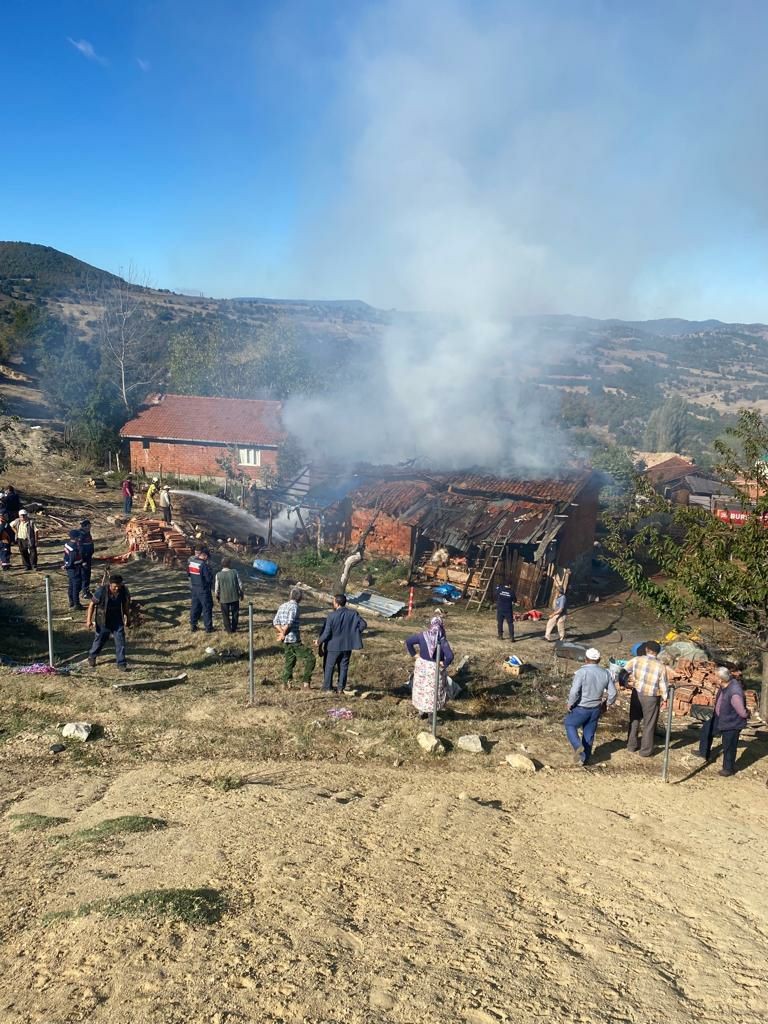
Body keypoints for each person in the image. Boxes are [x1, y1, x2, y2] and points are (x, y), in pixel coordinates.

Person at [564, 648, 617, 766]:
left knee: (570, 724)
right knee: (589, 733)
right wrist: (607, 704)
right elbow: (613, 693)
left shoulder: (582, 672)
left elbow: (574, 691)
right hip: (595, 708)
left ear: (586, 659)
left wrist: (570, 703)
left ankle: (578, 748)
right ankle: (586, 759)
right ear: (599, 660)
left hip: (581, 707)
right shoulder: (605, 673)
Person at [623, 640, 672, 757]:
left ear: (646, 650)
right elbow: (663, 685)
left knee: (634, 720)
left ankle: (631, 746)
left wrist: (625, 683)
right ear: (657, 653)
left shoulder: (636, 660)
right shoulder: (661, 666)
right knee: (649, 724)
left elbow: (623, 670)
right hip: (651, 697)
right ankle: (645, 751)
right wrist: (665, 699)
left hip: (637, 694)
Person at [698, 666, 749, 776]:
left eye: (715, 676)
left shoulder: (735, 692)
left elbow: (742, 712)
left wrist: (747, 713)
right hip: (720, 716)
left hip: (732, 722)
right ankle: (703, 753)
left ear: (721, 679)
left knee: (729, 746)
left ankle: (728, 768)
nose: (712, 678)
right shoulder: (724, 685)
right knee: (707, 729)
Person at [317, 594, 367, 693]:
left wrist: (319, 641)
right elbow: (363, 624)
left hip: (333, 646)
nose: (333, 603)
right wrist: (354, 633)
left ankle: (327, 688)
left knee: (329, 667)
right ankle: (340, 688)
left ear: (336, 603)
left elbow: (326, 633)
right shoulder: (353, 613)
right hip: (347, 645)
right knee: (343, 667)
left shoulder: (331, 616)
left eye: (333, 601)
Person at [406, 615, 454, 717]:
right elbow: (450, 656)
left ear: (431, 625)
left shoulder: (422, 635)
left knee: (421, 689)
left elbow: (408, 641)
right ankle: (431, 717)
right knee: (433, 692)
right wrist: (444, 664)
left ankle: (421, 713)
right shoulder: (441, 640)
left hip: (422, 666)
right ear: (441, 626)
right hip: (434, 668)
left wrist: (414, 654)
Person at [86, 574, 130, 671]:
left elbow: (125, 605)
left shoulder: (123, 591)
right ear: (110, 584)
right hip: (103, 619)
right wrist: (89, 620)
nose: (117, 588)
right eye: (115, 586)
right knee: (100, 639)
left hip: (117, 619)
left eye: (119, 586)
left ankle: (121, 663)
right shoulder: (101, 591)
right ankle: (92, 656)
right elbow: (92, 605)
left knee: (120, 641)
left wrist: (128, 617)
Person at [273, 588, 316, 688]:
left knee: (290, 661)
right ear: (300, 597)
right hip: (293, 639)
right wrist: (284, 633)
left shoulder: (282, 606)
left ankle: (287, 683)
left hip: (285, 641)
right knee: (310, 658)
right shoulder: (294, 607)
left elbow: (275, 622)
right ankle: (306, 682)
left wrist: (281, 633)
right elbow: (289, 622)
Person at [187, 546, 214, 633]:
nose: (207, 559)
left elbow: (189, 574)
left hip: (194, 588)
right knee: (206, 607)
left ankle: (193, 625)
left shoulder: (191, 563)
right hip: (204, 589)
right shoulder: (203, 565)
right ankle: (208, 628)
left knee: (195, 607)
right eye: (207, 557)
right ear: (205, 556)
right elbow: (208, 579)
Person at [214, 556, 244, 632]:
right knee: (235, 613)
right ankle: (234, 628)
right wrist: (241, 593)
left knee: (225, 615)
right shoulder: (235, 572)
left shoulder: (218, 574)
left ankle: (228, 629)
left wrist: (217, 596)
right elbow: (240, 584)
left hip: (223, 598)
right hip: (234, 596)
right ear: (230, 564)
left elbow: (217, 587)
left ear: (222, 564)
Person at [63, 529, 84, 609]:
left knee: (71, 585)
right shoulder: (74, 548)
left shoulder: (67, 544)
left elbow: (66, 557)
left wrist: (65, 564)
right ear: (76, 538)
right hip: (75, 568)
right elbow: (72, 559)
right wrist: (67, 565)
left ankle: (71, 602)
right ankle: (76, 604)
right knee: (76, 586)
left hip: (70, 569)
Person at [78, 519, 95, 597]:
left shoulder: (87, 533)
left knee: (87, 574)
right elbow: (80, 549)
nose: (90, 527)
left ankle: (85, 590)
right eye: (89, 525)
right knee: (85, 575)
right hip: (84, 558)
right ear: (85, 526)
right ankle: (85, 592)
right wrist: (83, 560)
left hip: (88, 556)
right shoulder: (81, 534)